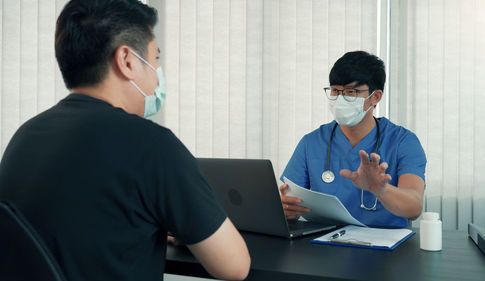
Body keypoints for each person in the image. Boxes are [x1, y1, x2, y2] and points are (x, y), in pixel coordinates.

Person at [0, 1, 250, 280]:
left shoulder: (25, 136)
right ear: (127, 61)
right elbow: (235, 267)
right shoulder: (152, 145)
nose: (157, 74)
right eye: (156, 59)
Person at [280, 51, 426, 228]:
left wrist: (381, 190)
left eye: (351, 92)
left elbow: (414, 208)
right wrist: (287, 210)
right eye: (335, 90)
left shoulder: (403, 142)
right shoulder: (311, 143)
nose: (340, 99)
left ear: (376, 97)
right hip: (324, 244)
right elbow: (290, 201)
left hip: (386, 246)